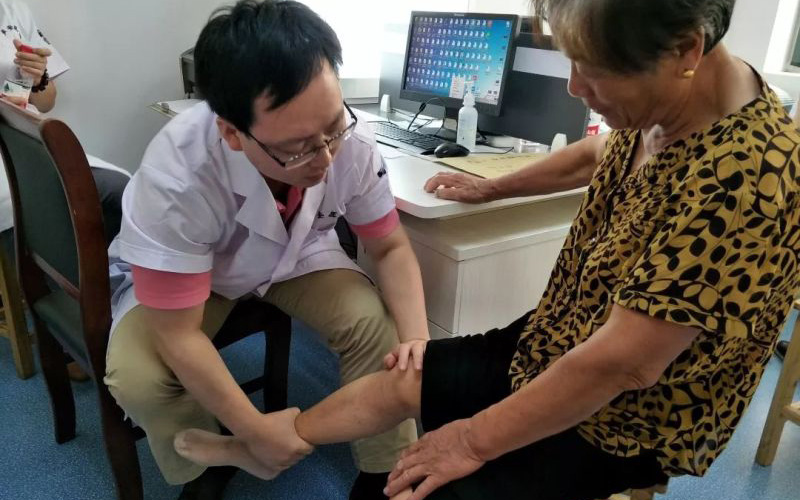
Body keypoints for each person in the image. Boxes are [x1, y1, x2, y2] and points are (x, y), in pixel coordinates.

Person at [172, 1, 800, 499]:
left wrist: (470, 441)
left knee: (416, 484)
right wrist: (492, 186)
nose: (574, 87)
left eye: (593, 70)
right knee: (401, 379)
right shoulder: (673, 97)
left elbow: (623, 368)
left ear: (686, 50)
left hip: (628, 416)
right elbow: (597, 152)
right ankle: (268, 443)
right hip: (562, 336)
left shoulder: (750, 180)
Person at [102, 1, 425, 499]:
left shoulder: (351, 142)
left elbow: (390, 248)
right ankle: (207, 467)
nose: (325, 157)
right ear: (232, 133)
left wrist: (419, 339)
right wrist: (254, 432)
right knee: (138, 377)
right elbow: (179, 334)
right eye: (297, 147)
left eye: (333, 127)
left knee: (374, 325)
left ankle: (386, 467)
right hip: (202, 273)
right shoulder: (177, 177)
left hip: (298, 254)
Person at [0, 1, 129, 381]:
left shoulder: (13, 9)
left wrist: (35, 77)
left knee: (122, 191)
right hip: (13, 156)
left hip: (25, 139)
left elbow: (43, 100)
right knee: (51, 210)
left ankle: (125, 310)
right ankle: (77, 335)